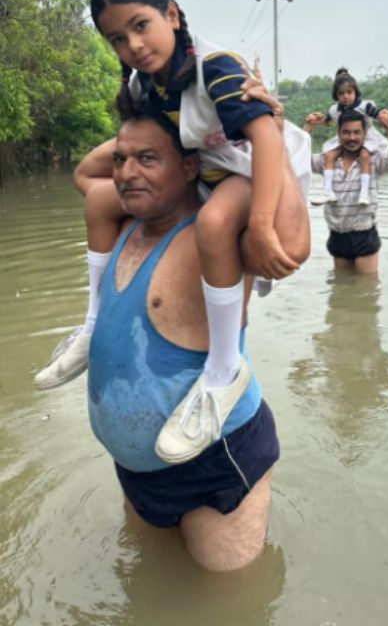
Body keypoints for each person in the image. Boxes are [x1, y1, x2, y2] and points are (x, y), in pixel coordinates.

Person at [32, 0, 312, 467]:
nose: (134, 45)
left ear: (172, 14)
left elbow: (266, 141)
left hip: (251, 173)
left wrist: (265, 224)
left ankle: (225, 370)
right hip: (208, 174)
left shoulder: (215, 66)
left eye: (141, 26)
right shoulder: (151, 86)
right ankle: (93, 323)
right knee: (99, 200)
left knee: (213, 223)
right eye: (118, 39)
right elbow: (121, 157)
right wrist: (119, 160)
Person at [77, 105, 282, 572]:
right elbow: (86, 173)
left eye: (148, 159)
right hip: (135, 471)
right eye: (121, 160)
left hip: (214, 466)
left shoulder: (222, 238)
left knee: (229, 609)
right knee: (148, 585)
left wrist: (218, 133)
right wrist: (153, 107)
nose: (128, 173)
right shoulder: (122, 223)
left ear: (189, 166)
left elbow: (286, 239)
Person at [302, 107, 388, 274]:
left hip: (364, 235)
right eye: (346, 132)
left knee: (366, 291)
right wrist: (309, 126)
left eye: (356, 132)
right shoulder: (326, 160)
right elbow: (292, 156)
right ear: (339, 134)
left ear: (364, 134)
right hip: (337, 235)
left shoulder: (374, 161)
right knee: (341, 290)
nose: (351, 138)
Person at [306, 68, 388, 206]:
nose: (345, 96)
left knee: (364, 155)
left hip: (366, 137)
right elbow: (328, 120)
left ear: (355, 92)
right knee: (329, 155)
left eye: (349, 92)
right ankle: (328, 192)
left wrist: (383, 115)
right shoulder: (335, 109)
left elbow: (377, 113)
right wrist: (317, 118)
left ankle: (364, 194)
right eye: (341, 93)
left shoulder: (364, 106)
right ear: (336, 95)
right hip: (344, 140)